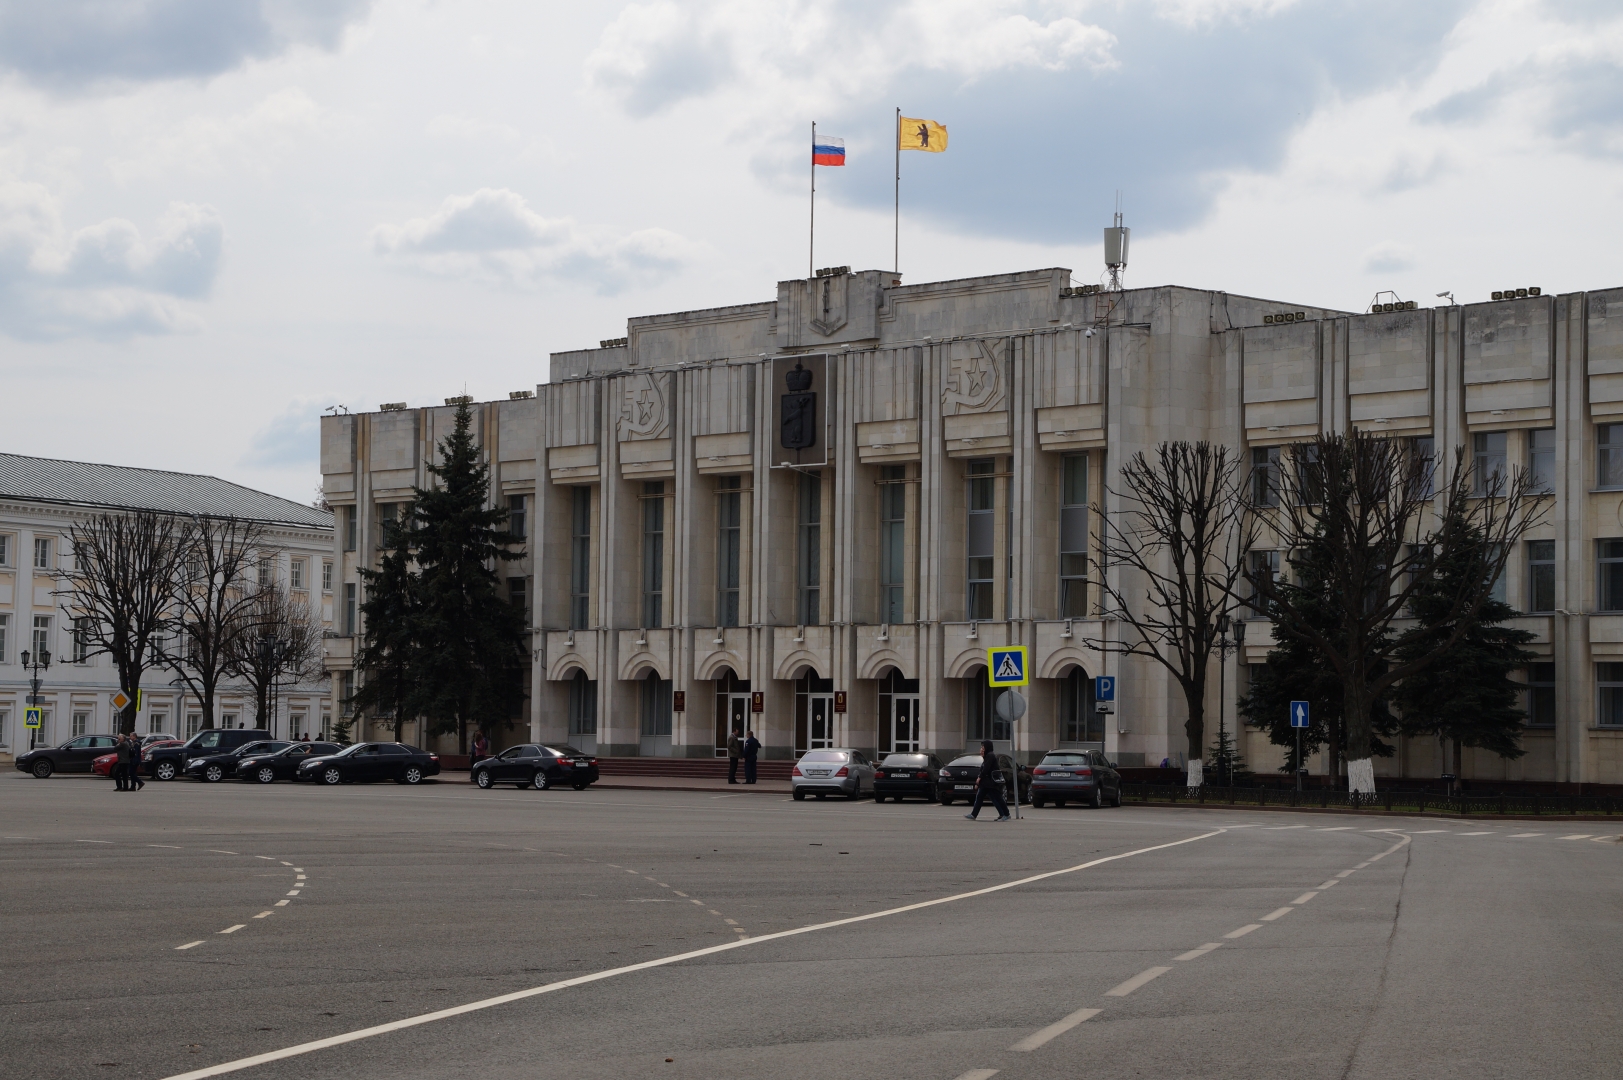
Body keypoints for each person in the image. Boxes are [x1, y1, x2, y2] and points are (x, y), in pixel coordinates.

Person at [966, 740, 1010, 822]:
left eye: (983, 747)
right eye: (981, 747)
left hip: (991, 782)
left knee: (997, 798)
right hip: (986, 783)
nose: (982, 749)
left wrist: (979, 778)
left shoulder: (990, 755)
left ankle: (1006, 814)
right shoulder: (987, 756)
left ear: (987, 747)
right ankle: (973, 814)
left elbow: (986, 768)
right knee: (981, 797)